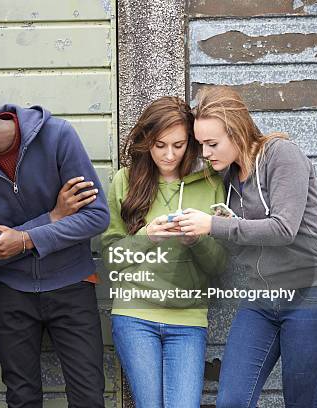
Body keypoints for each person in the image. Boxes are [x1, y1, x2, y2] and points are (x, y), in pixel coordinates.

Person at [0, 82, 109, 408]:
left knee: (88, 398)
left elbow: (97, 217)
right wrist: (52, 218)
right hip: (11, 293)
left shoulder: (57, 137)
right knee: (21, 399)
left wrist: (23, 239)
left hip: (72, 285)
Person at [176, 86, 317, 407]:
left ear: (237, 132)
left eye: (213, 144)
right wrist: (194, 235)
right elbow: (240, 242)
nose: (206, 153)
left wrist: (213, 224)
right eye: (201, 145)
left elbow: (284, 229)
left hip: (311, 295)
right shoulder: (227, 180)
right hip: (261, 298)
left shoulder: (281, 155)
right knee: (232, 401)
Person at [101, 96, 227, 407]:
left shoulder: (210, 183)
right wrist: (147, 237)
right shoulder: (125, 181)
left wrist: (196, 240)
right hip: (134, 315)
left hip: (189, 317)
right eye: (159, 145)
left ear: (191, 143)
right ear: (146, 141)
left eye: (178, 145)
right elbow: (111, 258)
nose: (169, 155)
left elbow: (220, 266)